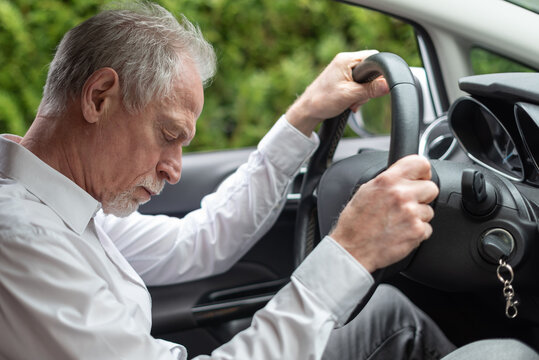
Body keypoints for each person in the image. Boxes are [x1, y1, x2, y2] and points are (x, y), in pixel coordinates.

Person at [0, 2, 537, 359]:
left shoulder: (63, 205)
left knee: (393, 314)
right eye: (168, 134)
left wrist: (303, 117)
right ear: (99, 97)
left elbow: (201, 243)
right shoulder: (21, 241)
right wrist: (351, 251)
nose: (174, 167)